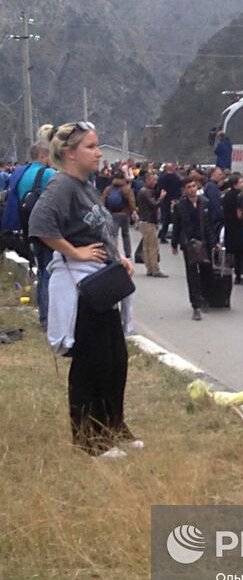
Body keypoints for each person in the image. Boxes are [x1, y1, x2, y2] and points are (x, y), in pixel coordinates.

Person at [28, 121, 138, 457]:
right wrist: (74, 252)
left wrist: (119, 258)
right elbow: (40, 223)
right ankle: (90, 440)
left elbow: (100, 231)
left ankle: (113, 425)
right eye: (91, 146)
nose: (99, 152)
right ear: (71, 153)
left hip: (102, 281)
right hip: (83, 288)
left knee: (115, 359)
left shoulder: (86, 185)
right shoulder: (62, 186)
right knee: (91, 364)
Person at [16, 130, 57, 328]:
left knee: (41, 271)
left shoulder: (23, 173)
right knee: (50, 272)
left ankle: (43, 315)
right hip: (47, 229)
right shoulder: (48, 174)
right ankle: (50, 318)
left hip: (29, 228)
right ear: (42, 156)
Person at [171, 176, 215, 320]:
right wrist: (174, 243)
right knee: (192, 274)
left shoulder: (205, 203)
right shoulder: (180, 206)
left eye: (193, 186)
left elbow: (209, 224)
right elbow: (177, 226)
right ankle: (195, 305)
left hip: (204, 242)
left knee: (206, 270)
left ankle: (205, 298)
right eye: (188, 187)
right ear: (184, 190)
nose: (192, 189)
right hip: (189, 243)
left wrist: (214, 242)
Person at [137, 170, 168, 277]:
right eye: (153, 180)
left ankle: (149, 268)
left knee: (146, 246)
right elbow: (154, 205)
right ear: (147, 180)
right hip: (149, 221)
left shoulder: (143, 191)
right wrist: (161, 198)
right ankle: (155, 269)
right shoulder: (146, 192)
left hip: (144, 221)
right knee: (153, 247)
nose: (155, 182)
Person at [101, 170, 136, 258]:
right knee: (126, 234)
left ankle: (114, 253)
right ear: (123, 178)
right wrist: (134, 211)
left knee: (114, 235)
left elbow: (102, 201)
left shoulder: (108, 189)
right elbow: (131, 201)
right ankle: (128, 254)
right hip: (125, 214)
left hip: (113, 215)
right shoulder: (127, 189)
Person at [221, 172, 243, 285]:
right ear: (235, 184)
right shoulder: (240, 196)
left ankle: (237, 275)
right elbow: (240, 213)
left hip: (229, 225)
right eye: (241, 182)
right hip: (239, 226)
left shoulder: (226, 196)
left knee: (235, 253)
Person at [157, 163, 183, 242]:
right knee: (175, 218)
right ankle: (176, 236)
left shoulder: (161, 177)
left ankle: (162, 234)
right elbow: (179, 188)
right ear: (173, 168)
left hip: (164, 199)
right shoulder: (176, 178)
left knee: (165, 218)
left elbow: (159, 188)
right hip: (174, 200)